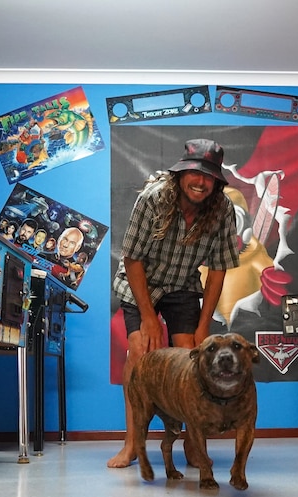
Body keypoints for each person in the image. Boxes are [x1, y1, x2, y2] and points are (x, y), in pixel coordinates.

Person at [108, 139, 241, 469]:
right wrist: (149, 318)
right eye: (195, 174)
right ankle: (132, 444)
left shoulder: (222, 210)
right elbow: (133, 259)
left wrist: (203, 326)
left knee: (191, 357)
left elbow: (219, 269)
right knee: (140, 354)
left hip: (183, 285)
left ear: (217, 181)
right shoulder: (152, 199)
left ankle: (194, 445)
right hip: (142, 284)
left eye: (209, 177)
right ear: (182, 174)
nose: (201, 182)